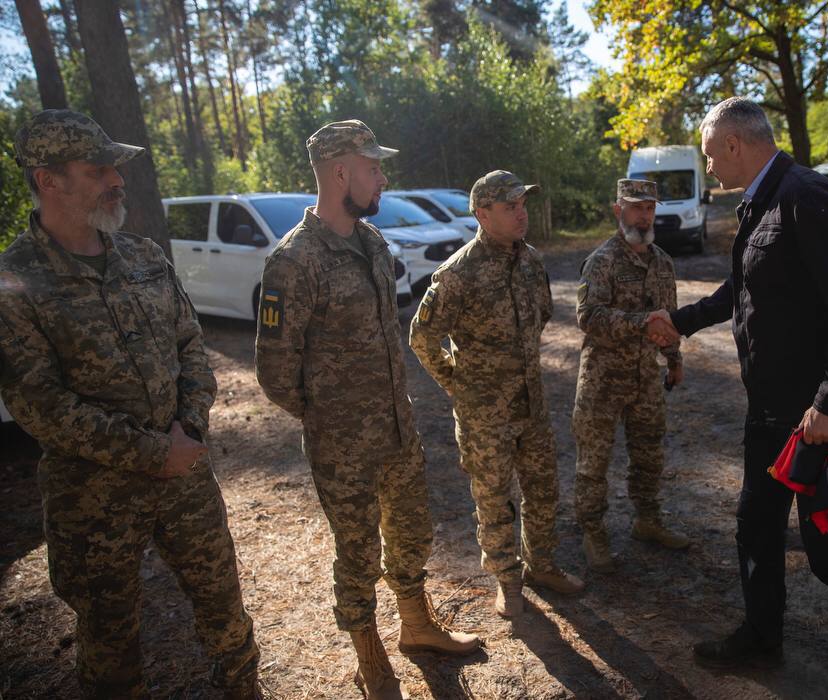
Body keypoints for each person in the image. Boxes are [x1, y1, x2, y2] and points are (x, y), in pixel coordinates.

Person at [0, 110, 260, 699]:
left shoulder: (142, 256)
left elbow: (191, 346)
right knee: (110, 643)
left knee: (226, 613)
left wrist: (188, 429)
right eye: (98, 169)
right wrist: (151, 451)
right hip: (94, 500)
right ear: (49, 180)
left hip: (185, 474)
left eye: (115, 167)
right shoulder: (15, 280)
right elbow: (39, 404)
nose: (117, 180)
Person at [651, 98, 828, 699]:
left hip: (822, 417)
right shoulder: (762, 203)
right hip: (771, 410)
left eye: (712, 154)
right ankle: (762, 635)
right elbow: (745, 287)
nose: (709, 167)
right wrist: (682, 321)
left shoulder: (806, 197)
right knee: (756, 527)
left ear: (736, 145)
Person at [254, 119, 479, 700]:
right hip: (342, 446)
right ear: (340, 172)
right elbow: (275, 373)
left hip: (398, 428)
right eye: (374, 167)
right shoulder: (293, 261)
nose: (383, 178)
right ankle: (369, 657)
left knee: (411, 534)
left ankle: (417, 627)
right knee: (357, 554)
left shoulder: (372, 242)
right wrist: (331, 418)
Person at [409, 170, 585, 618]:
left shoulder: (531, 261)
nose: (521, 213)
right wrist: (460, 386)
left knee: (543, 490)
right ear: (483, 214)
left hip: (532, 403)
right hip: (485, 414)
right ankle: (508, 580)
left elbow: (541, 315)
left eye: (523, 204)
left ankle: (541, 565)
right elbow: (422, 338)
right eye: (510, 207)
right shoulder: (458, 273)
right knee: (494, 497)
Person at [573, 178, 690, 573]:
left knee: (648, 454)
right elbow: (588, 317)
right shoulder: (602, 260)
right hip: (603, 380)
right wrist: (641, 323)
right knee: (594, 462)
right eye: (636, 207)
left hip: (645, 378)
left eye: (650, 208)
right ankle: (593, 532)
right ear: (618, 209)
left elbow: (668, 317)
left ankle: (647, 520)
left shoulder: (662, 262)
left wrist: (673, 359)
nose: (644, 215)